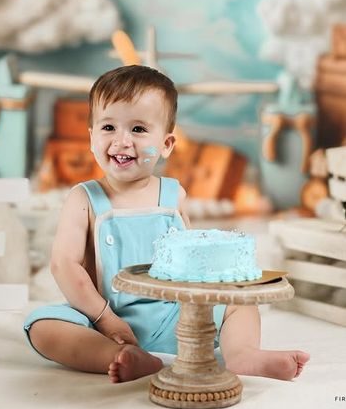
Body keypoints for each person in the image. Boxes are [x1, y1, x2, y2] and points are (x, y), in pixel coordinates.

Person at [24, 65, 310, 383]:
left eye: (138, 129)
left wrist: (209, 300)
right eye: (108, 128)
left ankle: (242, 354)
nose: (121, 141)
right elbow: (64, 265)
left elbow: (191, 262)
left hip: (175, 315)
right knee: (41, 326)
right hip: (104, 316)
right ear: (91, 137)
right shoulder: (84, 198)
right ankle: (119, 356)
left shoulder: (173, 196)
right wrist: (105, 319)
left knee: (240, 304)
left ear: (166, 144)